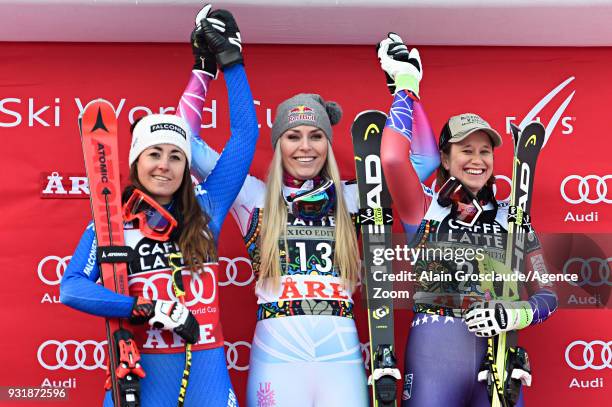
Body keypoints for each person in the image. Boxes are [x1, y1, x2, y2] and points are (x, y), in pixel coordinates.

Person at [60, 6, 257, 406]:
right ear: (136, 161)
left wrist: (232, 61)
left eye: (175, 156)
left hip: (207, 373)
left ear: (187, 166)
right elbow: (72, 287)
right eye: (154, 154)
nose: (164, 165)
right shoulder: (111, 221)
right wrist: (145, 308)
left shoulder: (208, 206)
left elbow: (244, 135)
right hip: (141, 371)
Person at [377, 33, 559, 406]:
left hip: (499, 356)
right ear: (445, 159)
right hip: (434, 352)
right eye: (465, 150)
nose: (477, 159)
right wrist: (406, 87)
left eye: (485, 151)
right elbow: (395, 159)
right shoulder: (424, 208)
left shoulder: (513, 215)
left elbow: (548, 295)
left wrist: (516, 313)